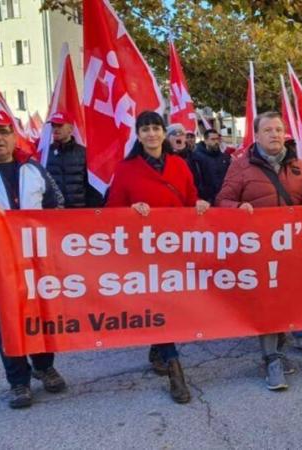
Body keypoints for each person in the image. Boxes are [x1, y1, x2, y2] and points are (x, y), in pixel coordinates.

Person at [105, 111, 210, 404]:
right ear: (138, 135)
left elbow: (190, 199)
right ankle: (175, 369)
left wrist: (200, 204)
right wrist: (130, 210)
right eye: (145, 129)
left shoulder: (179, 164)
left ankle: (157, 348)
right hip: (144, 249)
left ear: (163, 133)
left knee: (170, 303)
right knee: (158, 301)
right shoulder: (126, 169)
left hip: (175, 246)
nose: (151, 134)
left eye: (156, 128)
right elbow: (113, 209)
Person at [216, 111, 302, 391]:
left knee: (287, 301)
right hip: (259, 250)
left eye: (279, 129)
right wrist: (238, 208)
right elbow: (222, 200)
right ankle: (272, 359)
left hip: (292, 248)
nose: (275, 134)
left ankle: (278, 349)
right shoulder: (240, 166)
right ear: (257, 135)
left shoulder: (297, 165)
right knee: (268, 303)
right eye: (269, 130)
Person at [0, 110, 66, 408]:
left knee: (40, 312)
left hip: (34, 258)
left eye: (3, 132)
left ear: (13, 135)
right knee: (4, 321)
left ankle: (44, 366)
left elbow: (57, 205)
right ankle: (18, 381)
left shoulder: (34, 168)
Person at [44, 112, 103, 208]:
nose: (55, 129)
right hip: (54, 212)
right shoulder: (45, 154)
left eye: (60, 125)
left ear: (70, 129)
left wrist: (92, 212)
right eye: (53, 125)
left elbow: (93, 187)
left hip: (79, 213)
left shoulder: (84, 153)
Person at [192, 129, 231, 204]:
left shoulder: (224, 158)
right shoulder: (196, 158)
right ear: (206, 141)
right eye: (212, 139)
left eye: (217, 139)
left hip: (223, 199)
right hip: (206, 201)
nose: (216, 142)